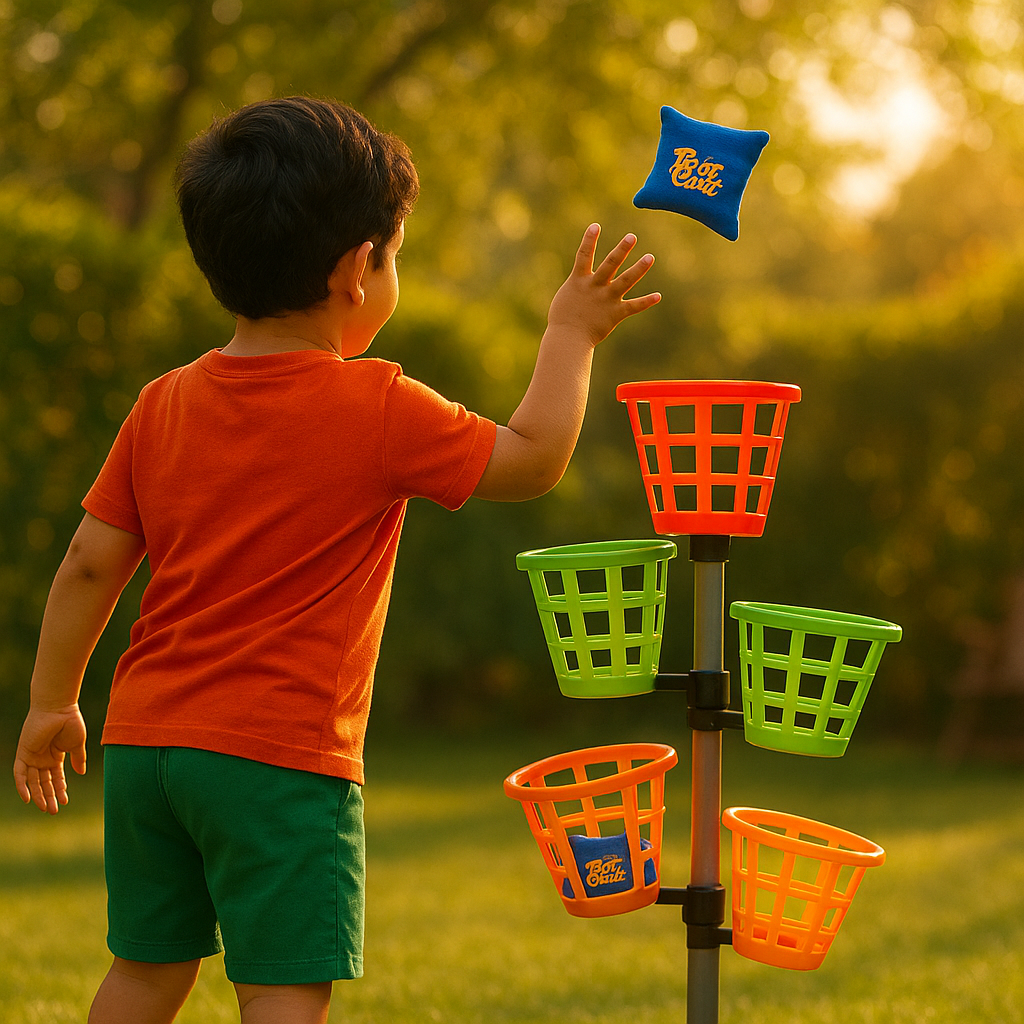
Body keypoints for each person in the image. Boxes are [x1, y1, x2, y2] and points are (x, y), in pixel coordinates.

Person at [12, 96, 660, 1024]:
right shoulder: (377, 405)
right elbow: (531, 458)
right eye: (396, 255)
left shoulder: (163, 402)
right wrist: (571, 334)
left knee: (148, 970)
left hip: (146, 746)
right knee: (280, 986)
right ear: (360, 268)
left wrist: (50, 702)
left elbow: (86, 565)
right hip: (278, 758)